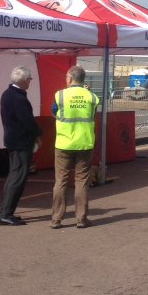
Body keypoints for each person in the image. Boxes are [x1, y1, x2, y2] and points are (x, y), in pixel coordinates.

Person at [51, 65, 100, 229]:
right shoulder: (92, 97)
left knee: (61, 181)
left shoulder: (60, 95)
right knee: (81, 181)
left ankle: (56, 219)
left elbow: (54, 112)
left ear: (70, 78)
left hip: (64, 143)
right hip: (84, 143)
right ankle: (81, 218)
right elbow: (92, 114)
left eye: (66, 77)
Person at [0, 66, 42, 226]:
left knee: (14, 176)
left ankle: (6, 212)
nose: (30, 82)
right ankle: (6, 213)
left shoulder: (8, 94)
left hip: (13, 140)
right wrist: (38, 133)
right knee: (18, 178)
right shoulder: (18, 98)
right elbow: (27, 121)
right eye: (29, 79)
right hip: (20, 142)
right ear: (24, 80)